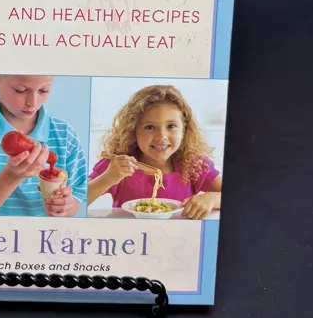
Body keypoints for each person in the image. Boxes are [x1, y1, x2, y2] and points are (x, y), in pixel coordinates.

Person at [0, 75, 86, 217]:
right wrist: (11, 176)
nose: (32, 103)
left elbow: (76, 198)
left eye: (43, 90)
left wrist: (66, 207)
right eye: (20, 90)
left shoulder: (65, 134)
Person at [88, 84, 221, 219]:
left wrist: (210, 198)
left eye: (171, 126)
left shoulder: (194, 164)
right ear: (133, 130)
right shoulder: (117, 164)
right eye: (150, 127)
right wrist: (108, 178)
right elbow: (78, 201)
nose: (161, 137)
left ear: (184, 129)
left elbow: (231, 195)